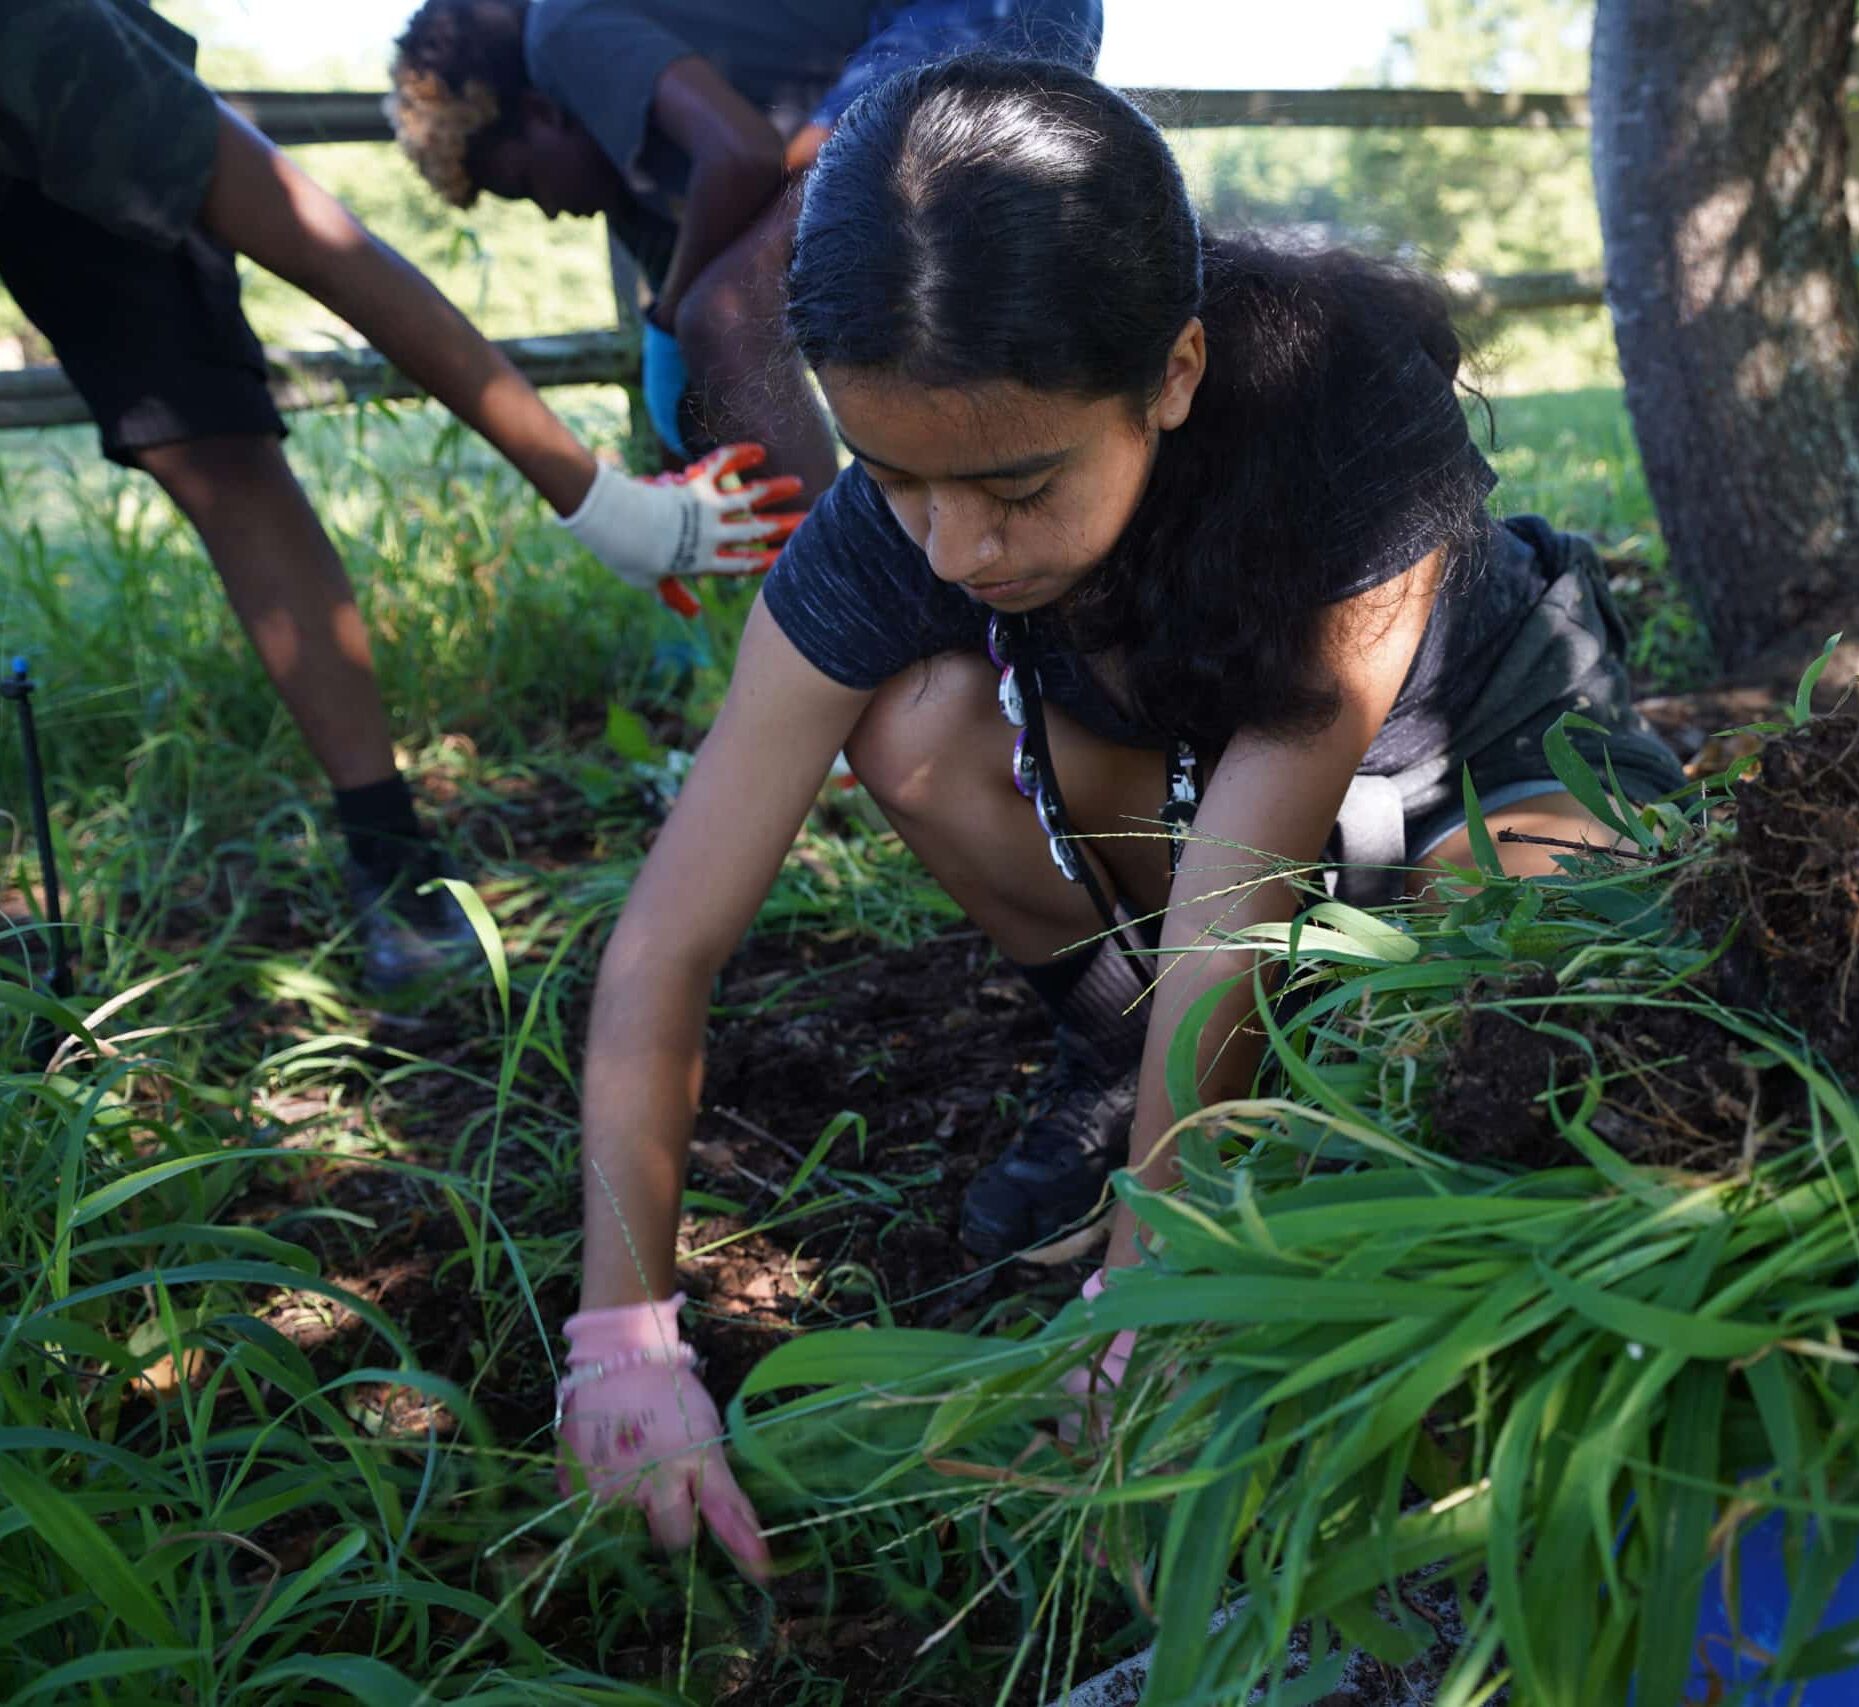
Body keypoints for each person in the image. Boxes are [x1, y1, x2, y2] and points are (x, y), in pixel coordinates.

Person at [550, 56, 1686, 1571]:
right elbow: (666, 938)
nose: (954, 549)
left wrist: (1145, 1292)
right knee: (912, 719)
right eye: (894, 478)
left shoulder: (1336, 404)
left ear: (1174, 372)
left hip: (1469, 776)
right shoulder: (910, 524)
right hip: (1209, 812)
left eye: (1019, 488)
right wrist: (622, 1335)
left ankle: (1272, 1111)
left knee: (1514, 941)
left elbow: (1238, 900)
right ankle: (1121, 1057)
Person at [0, 0, 806, 990]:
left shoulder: (42, 38)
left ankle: (389, 857)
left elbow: (325, 249)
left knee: (213, 446)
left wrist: (606, 505)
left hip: (50, 115)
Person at [385, 0, 1104, 493]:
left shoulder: (561, 25)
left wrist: (670, 318)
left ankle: (851, 626)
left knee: (723, 313)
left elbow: (741, 156)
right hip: (910, 53)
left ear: (542, 112)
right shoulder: (641, 184)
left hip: (965, 14)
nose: (547, 210)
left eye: (522, 183)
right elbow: (696, 391)